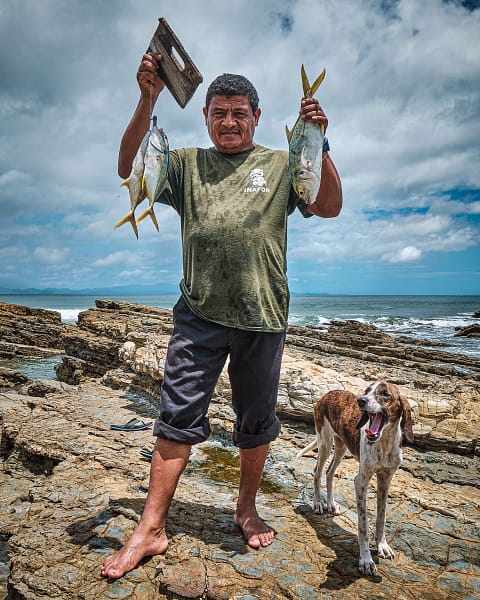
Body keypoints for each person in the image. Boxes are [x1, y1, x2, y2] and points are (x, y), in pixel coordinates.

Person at [102, 52, 342, 580]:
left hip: (263, 315)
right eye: (219, 113)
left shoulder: (281, 164)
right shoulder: (185, 163)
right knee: (176, 416)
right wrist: (148, 98)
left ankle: (245, 509)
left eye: (239, 113)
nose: (229, 122)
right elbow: (127, 168)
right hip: (199, 314)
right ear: (205, 116)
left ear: (256, 117)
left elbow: (328, 207)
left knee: (254, 424)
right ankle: (151, 527)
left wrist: (318, 140)